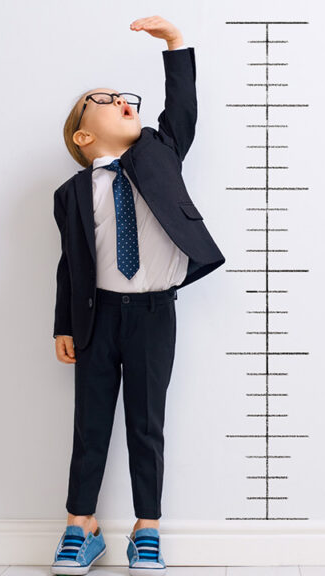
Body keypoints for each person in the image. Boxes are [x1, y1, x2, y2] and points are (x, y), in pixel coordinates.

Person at [49, 14, 225, 576]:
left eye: (126, 96)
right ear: (84, 135)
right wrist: (63, 325)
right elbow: (70, 265)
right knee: (90, 421)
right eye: (104, 99)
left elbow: (182, 110)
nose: (123, 100)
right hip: (98, 318)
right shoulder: (72, 193)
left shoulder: (158, 151)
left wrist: (176, 45)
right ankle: (82, 526)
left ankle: (147, 529)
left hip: (154, 314)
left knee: (147, 422)